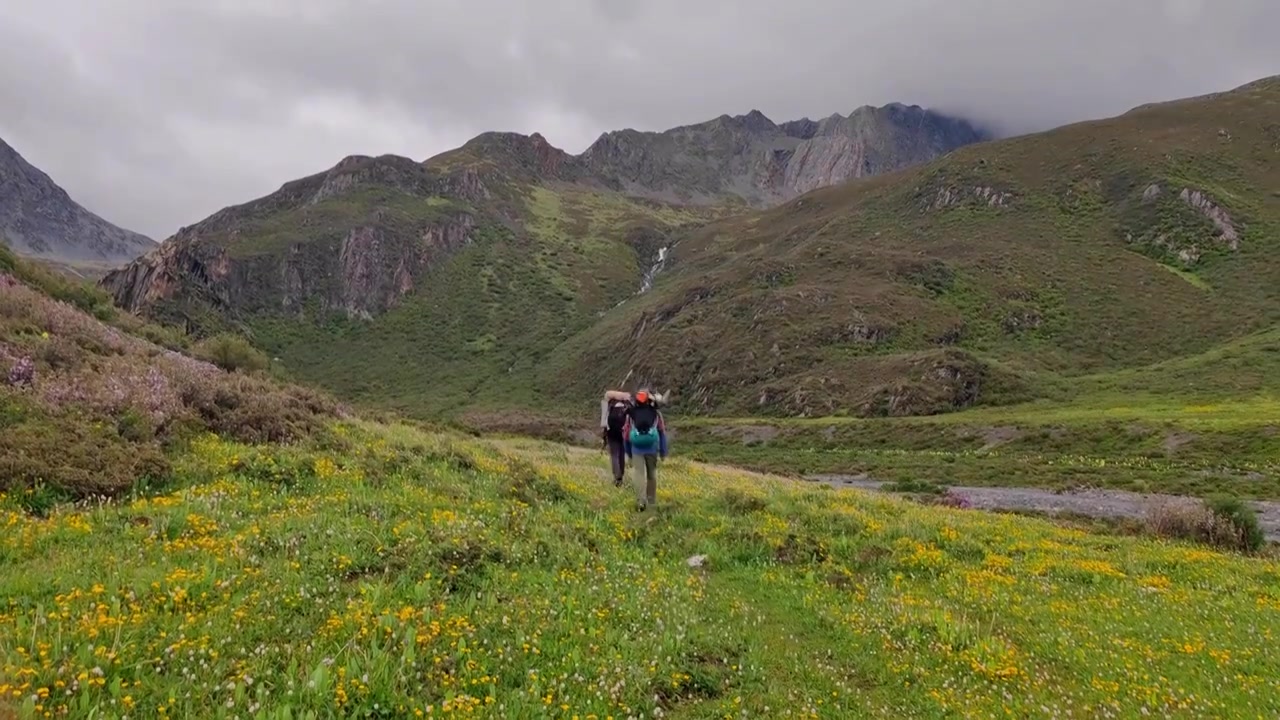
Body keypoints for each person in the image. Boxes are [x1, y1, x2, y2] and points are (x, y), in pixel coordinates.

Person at [622, 389, 669, 512]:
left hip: (636, 449)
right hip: (652, 449)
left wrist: (628, 452)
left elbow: (626, 434)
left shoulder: (632, 414)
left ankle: (641, 501)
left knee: (639, 475)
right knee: (651, 475)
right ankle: (651, 501)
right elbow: (662, 433)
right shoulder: (656, 414)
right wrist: (663, 451)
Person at [601, 395, 631, 487]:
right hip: (623, 435)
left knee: (614, 455)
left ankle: (616, 476)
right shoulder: (627, 410)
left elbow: (604, 424)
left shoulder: (610, 409)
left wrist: (604, 437)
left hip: (612, 435)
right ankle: (621, 476)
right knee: (621, 455)